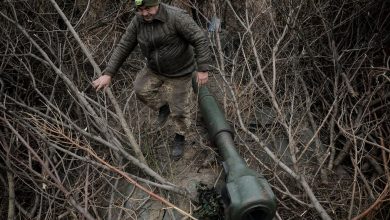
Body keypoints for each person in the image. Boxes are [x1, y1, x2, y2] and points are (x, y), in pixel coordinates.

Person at [92, 0, 211, 161]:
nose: (145, 13)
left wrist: (203, 68)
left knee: (180, 111)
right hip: (154, 69)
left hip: (180, 72)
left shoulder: (176, 17)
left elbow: (199, 39)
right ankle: (163, 107)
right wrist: (108, 73)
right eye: (140, 9)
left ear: (157, 4)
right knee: (141, 89)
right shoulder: (138, 21)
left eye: (148, 8)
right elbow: (124, 45)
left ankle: (179, 137)